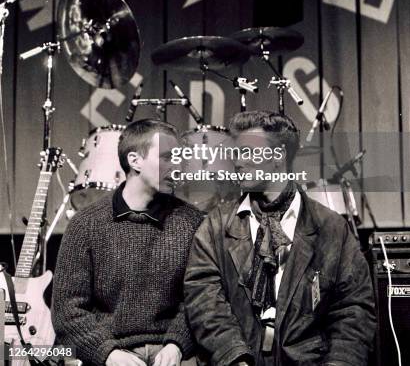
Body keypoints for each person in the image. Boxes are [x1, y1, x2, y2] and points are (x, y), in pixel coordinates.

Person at [184, 111, 376, 366]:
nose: (238, 163)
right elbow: (204, 301)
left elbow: (353, 311)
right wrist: (232, 357)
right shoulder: (214, 226)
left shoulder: (331, 228)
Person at [52, 119, 203, 366]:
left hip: (171, 350)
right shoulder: (86, 224)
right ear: (135, 161)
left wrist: (177, 344)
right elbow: (68, 311)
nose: (177, 166)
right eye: (167, 157)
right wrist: (107, 353)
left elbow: (199, 298)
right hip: (109, 349)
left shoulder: (191, 221)